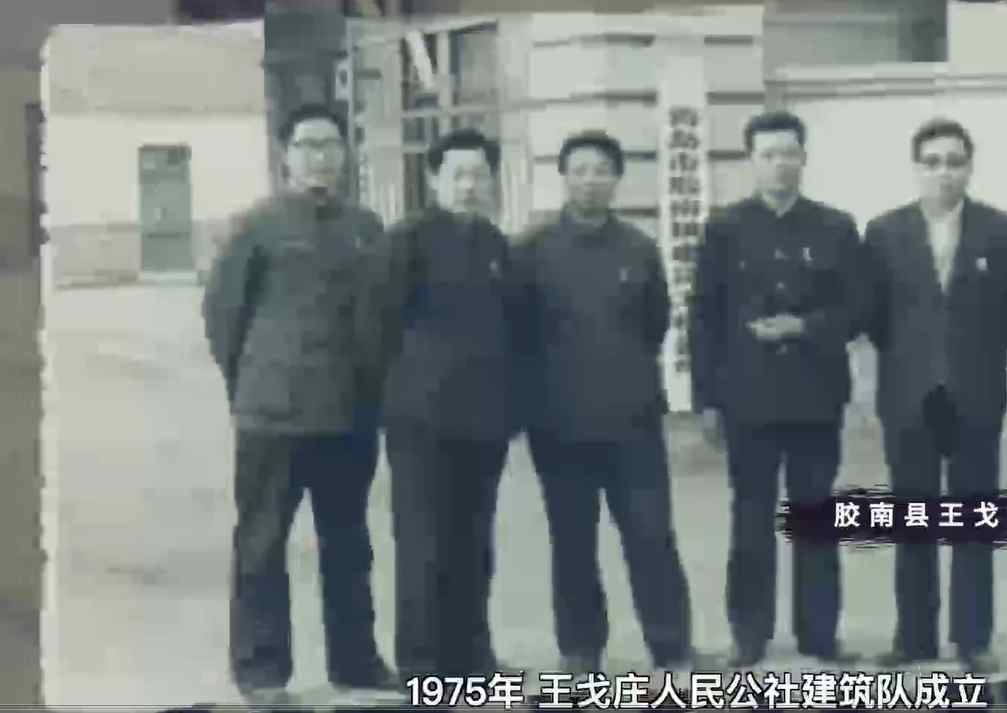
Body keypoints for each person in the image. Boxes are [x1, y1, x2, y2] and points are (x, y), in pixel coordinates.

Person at [201, 103, 396, 706]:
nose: (320, 157)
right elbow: (224, 317)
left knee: (349, 543)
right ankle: (261, 671)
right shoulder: (256, 227)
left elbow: (382, 318)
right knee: (262, 545)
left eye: (330, 145)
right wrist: (252, 386)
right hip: (274, 417)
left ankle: (356, 662)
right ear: (285, 154)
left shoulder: (366, 228)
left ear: (346, 154)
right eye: (308, 145)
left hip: (349, 414)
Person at [513, 129, 697, 674]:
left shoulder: (638, 248)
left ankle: (671, 647)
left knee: (651, 535)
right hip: (558, 424)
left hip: (632, 422)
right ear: (563, 177)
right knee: (572, 542)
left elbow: (655, 323)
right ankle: (580, 650)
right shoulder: (532, 250)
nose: (590, 180)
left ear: (617, 178)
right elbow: (518, 333)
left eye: (601, 170)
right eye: (580, 170)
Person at [689, 110, 867, 668]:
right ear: (751, 161)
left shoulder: (836, 227)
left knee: (815, 514)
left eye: (789, 153)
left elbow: (858, 309)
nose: (780, 164)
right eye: (768, 155)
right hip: (748, 398)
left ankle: (819, 634)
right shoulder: (724, 228)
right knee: (750, 520)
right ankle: (749, 634)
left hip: (816, 396)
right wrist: (706, 400)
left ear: (804, 157)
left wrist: (803, 326)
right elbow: (703, 316)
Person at [861, 118, 1007, 674]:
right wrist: (915, 361)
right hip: (908, 396)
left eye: (954, 161)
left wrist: (970, 357)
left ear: (970, 167)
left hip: (973, 396)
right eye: (932, 162)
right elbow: (873, 313)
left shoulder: (1000, 231)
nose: (944, 172)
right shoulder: (884, 232)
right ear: (916, 168)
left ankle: (972, 639)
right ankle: (914, 637)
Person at [363, 128, 521, 683]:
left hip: (484, 420)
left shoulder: (497, 246)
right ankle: (423, 665)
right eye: (458, 175)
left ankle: (472, 656)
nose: (469, 186)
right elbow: (375, 329)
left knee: (475, 541)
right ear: (434, 179)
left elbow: (514, 331)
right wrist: (397, 397)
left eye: (479, 175)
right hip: (420, 421)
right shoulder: (405, 241)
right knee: (423, 543)